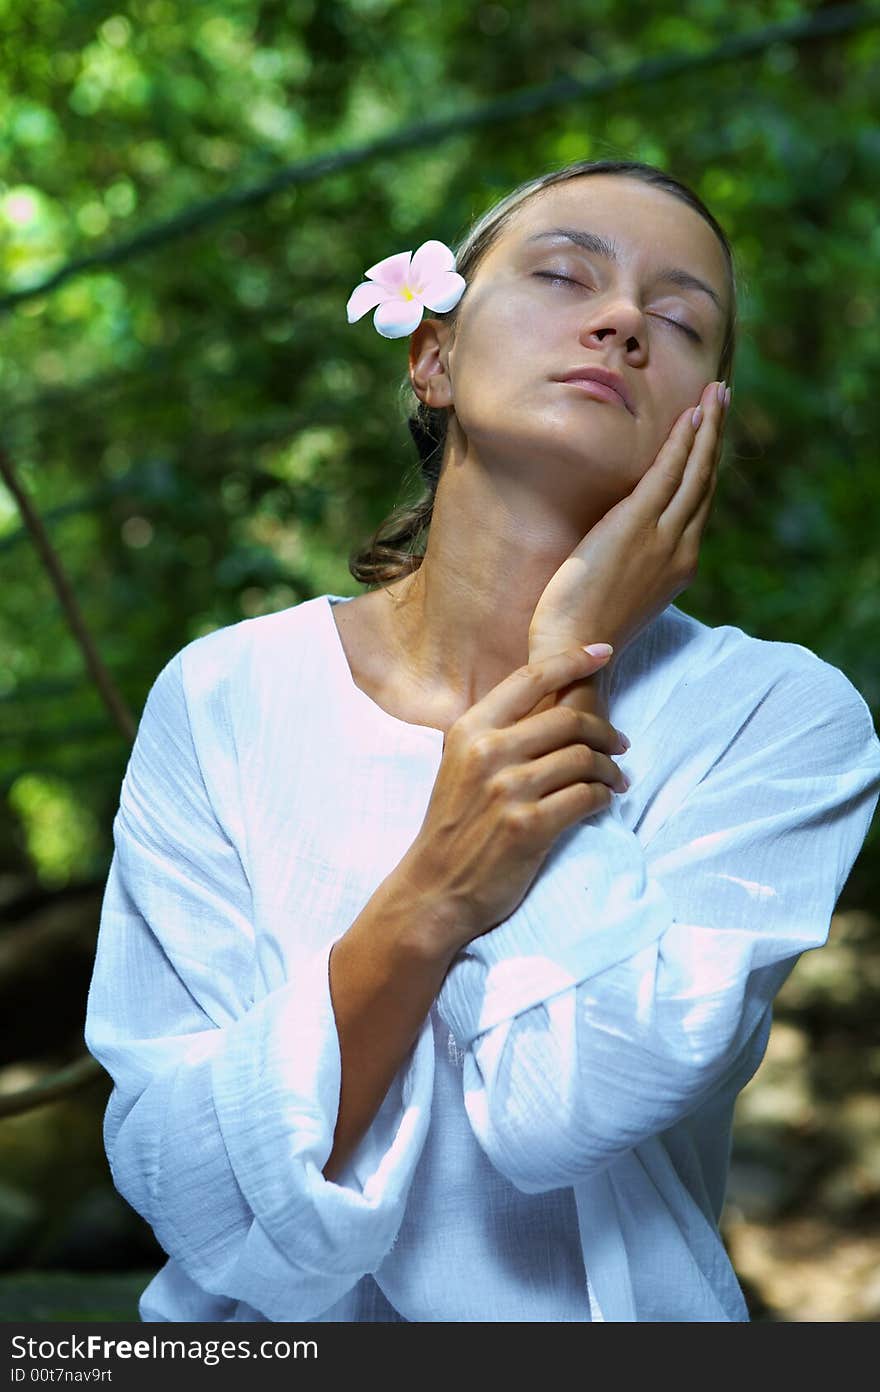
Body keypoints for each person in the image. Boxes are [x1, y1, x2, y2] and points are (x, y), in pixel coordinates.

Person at [84, 158, 880, 1322]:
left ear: (702, 423)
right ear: (432, 355)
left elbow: (566, 1107)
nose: (620, 320)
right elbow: (184, 1182)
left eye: (679, 321)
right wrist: (430, 898)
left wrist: (559, 661)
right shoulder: (227, 696)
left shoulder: (778, 720)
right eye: (565, 276)